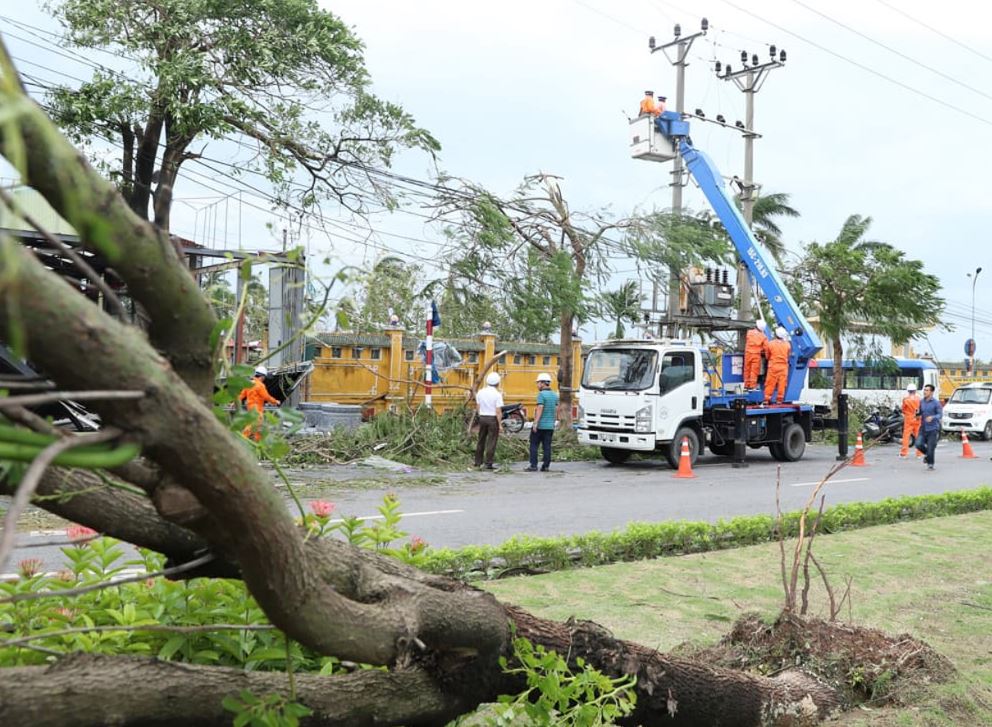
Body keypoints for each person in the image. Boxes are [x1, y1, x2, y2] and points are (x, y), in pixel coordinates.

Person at [526, 372, 559, 472]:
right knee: (547, 446)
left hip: (540, 426)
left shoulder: (541, 395)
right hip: (550, 426)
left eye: (538, 383)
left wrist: (535, 423)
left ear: (542, 383)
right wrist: (554, 421)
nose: (537, 385)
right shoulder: (554, 395)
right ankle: (546, 466)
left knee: (534, 445)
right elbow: (556, 409)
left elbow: (540, 408)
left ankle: (533, 465)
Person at [239, 366, 281, 441]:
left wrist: (234, 402)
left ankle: (258, 442)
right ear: (262, 377)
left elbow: (242, 395)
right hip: (257, 410)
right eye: (264, 377)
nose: (264, 379)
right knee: (253, 425)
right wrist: (275, 401)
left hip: (250, 408)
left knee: (258, 427)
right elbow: (266, 397)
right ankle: (242, 439)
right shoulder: (260, 385)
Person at [474, 371, 504, 470]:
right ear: (498, 383)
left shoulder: (480, 392)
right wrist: (500, 425)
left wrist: (480, 416)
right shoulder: (497, 394)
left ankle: (477, 462)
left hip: (482, 417)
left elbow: (478, 407)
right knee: (491, 441)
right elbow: (498, 411)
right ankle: (488, 463)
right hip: (492, 419)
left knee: (481, 440)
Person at [915, 384, 942, 471]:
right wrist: (917, 415)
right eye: (924, 390)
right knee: (918, 444)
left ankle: (930, 464)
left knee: (931, 447)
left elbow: (940, 415)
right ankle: (928, 455)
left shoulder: (936, 403)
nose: (925, 392)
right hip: (923, 428)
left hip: (933, 429)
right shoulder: (921, 402)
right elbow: (919, 413)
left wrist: (932, 417)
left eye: (927, 390)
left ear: (931, 392)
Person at [763, 327, 791, 405]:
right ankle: (779, 400)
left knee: (770, 383)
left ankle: (766, 399)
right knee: (782, 384)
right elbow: (788, 355)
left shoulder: (770, 343)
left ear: (776, 334)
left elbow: (767, 356)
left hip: (773, 366)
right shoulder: (787, 345)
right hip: (783, 367)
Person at [743, 320, 769, 390]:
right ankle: (752, 386)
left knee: (747, 369)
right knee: (754, 371)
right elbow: (766, 348)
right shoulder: (763, 337)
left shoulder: (749, 332)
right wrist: (767, 357)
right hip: (756, 355)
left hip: (748, 354)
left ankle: (746, 385)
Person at [898, 382, 922, 459]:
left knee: (906, 436)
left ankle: (904, 454)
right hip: (917, 419)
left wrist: (908, 414)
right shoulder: (919, 399)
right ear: (915, 391)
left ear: (908, 391)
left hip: (908, 419)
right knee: (918, 436)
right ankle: (919, 454)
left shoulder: (906, 399)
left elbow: (903, 410)